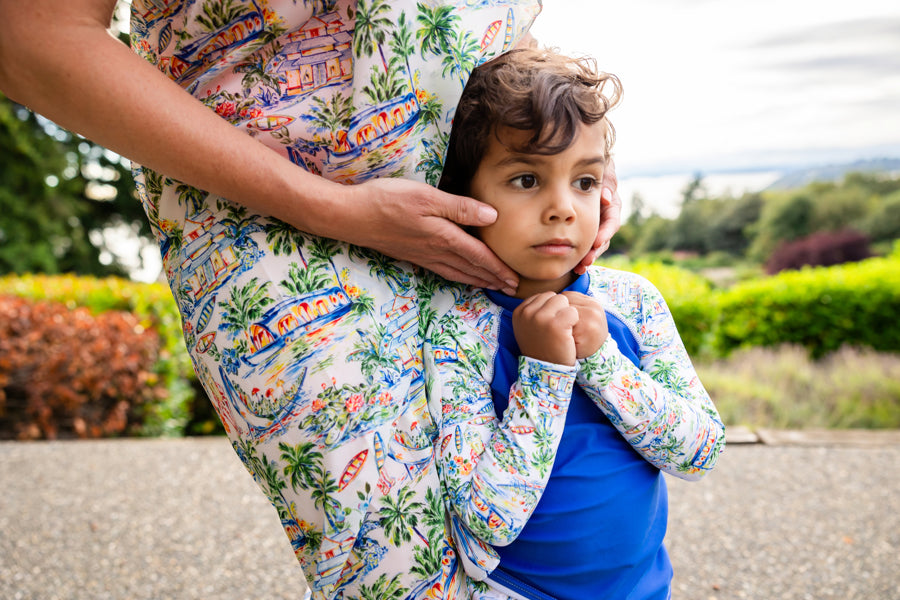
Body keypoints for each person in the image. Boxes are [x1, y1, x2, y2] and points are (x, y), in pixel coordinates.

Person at [0, 2, 626, 599]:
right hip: (267, 222)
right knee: (394, 564)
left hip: (478, 215)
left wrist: (571, 152)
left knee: (516, 552)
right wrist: (330, 207)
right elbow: (29, 35)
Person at [423, 47, 726, 600]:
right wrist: (544, 371)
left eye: (584, 182)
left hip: (644, 589)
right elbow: (488, 520)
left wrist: (603, 361)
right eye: (525, 179)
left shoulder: (632, 301)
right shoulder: (457, 328)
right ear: (464, 196)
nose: (563, 207)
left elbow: (699, 450)